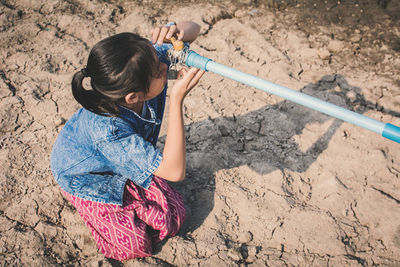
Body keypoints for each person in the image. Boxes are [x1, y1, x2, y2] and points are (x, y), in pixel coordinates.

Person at [50, 21, 204, 261]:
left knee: (173, 216)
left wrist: (176, 31)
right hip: (88, 176)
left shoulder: (144, 62)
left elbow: (194, 29)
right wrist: (176, 100)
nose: (166, 65)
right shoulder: (109, 132)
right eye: (160, 72)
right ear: (133, 96)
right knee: (135, 246)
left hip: (120, 158)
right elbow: (175, 172)